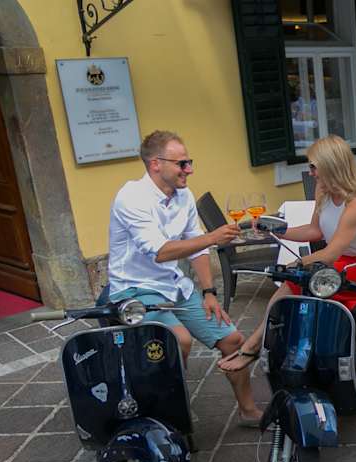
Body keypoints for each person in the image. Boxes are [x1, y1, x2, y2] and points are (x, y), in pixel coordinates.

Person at [107, 130, 260, 425]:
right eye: (182, 164)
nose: (188, 169)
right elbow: (160, 252)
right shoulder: (131, 198)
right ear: (155, 164)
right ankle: (169, 414)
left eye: (189, 162)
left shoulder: (184, 195)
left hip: (173, 285)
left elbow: (195, 245)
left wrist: (209, 291)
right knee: (179, 340)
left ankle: (249, 411)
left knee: (232, 339)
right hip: (134, 290)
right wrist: (213, 237)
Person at [218, 135, 356, 373]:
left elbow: (329, 254)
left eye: (313, 167)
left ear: (331, 167)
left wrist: (296, 264)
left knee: (294, 284)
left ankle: (254, 345)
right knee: (293, 285)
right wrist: (278, 229)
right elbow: (315, 231)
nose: (311, 173)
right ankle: (280, 346)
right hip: (339, 262)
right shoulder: (324, 191)